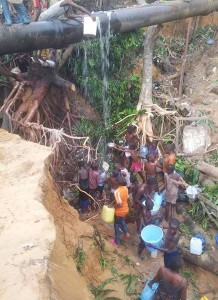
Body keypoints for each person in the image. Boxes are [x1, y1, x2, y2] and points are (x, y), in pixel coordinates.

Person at [110, 175, 130, 247]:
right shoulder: (125, 188)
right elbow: (127, 198)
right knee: (122, 220)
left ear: (117, 182)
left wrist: (113, 207)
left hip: (119, 211)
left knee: (116, 224)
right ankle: (126, 233)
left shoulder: (117, 192)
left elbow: (120, 204)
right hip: (125, 209)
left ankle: (117, 242)